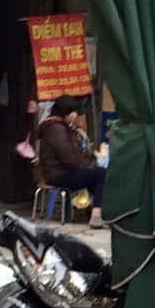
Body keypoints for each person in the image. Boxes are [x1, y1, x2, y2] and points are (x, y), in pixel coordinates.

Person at [38, 95, 107, 228]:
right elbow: (69, 158)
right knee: (100, 174)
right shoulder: (56, 129)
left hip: (60, 172)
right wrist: (86, 165)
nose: (76, 115)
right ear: (66, 112)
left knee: (96, 175)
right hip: (59, 175)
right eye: (74, 112)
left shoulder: (60, 127)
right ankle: (96, 214)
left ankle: (93, 212)